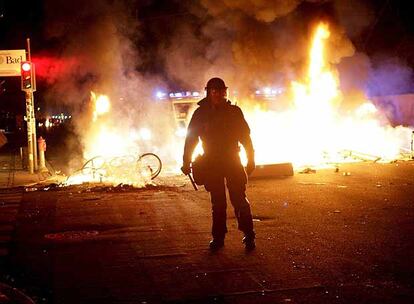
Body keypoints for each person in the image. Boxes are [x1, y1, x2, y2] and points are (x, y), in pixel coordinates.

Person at [181, 77, 256, 250]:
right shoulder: (200, 114)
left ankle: (249, 235)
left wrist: (251, 158)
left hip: (232, 160)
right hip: (211, 162)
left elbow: (246, 138)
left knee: (239, 199)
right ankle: (218, 238)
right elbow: (191, 139)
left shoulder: (234, 112)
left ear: (225, 92)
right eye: (214, 91)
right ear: (208, 92)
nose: (218, 94)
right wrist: (186, 160)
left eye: (220, 91)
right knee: (218, 202)